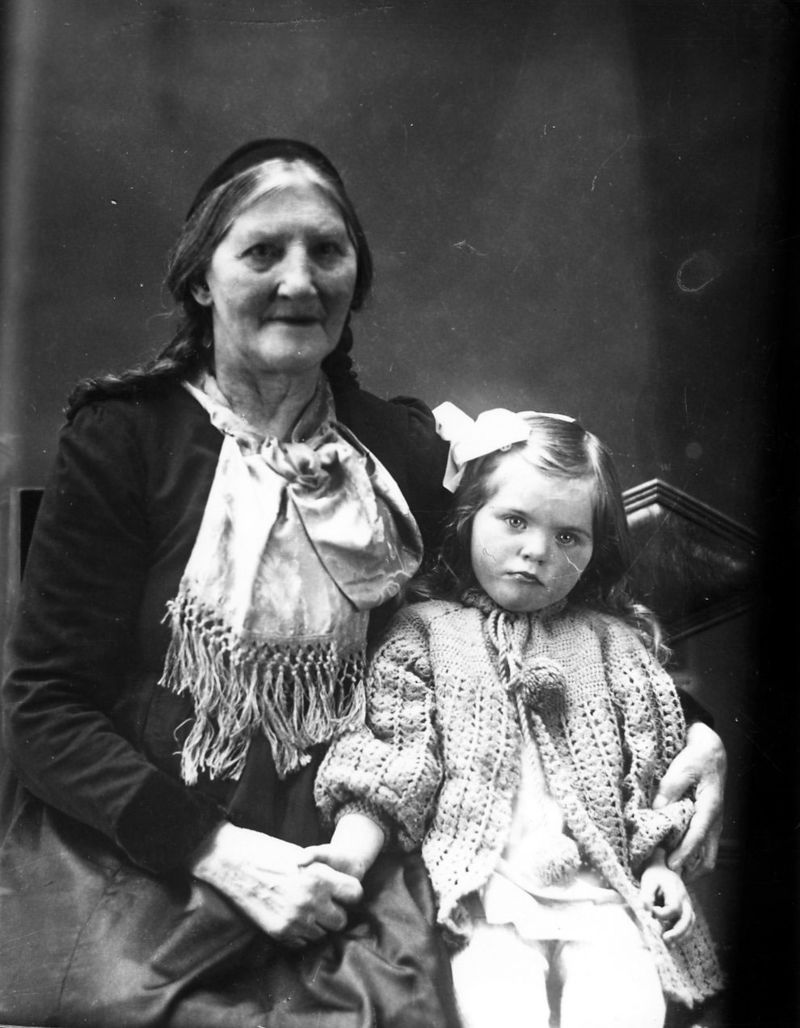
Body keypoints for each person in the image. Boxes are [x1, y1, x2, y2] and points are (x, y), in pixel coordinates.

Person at [0, 138, 724, 1027]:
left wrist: (700, 732)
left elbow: (547, 607)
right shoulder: (125, 437)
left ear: (354, 278)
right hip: (154, 855)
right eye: (262, 251)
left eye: (326, 251)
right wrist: (222, 855)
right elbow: (41, 708)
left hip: (354, 844)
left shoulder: (398, 449)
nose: (299, 280)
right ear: (201, 279)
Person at [312, 405, 726, 1028]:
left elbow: (648, 768)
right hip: (487, 895)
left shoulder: (615, 646)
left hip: (604, 898)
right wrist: (348, 857)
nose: (537, 551)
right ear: (468, 519)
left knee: (625, 1009)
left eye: (569, 537)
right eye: (514, 521)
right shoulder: (424, 635)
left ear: (595, 549)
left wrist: (660, 865)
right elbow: (394, 759)